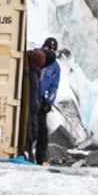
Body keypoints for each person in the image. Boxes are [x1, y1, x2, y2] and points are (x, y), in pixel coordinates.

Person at [27, 36, 60, 165]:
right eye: (48, 47)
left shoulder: (55, 67)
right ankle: (27, 152)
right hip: (30, 96)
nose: (51, 50)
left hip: (41, 100)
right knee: (29, 128)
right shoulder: (36, 56)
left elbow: (54, 86)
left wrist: (49, 102)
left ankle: (41, 158)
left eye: (53, 49)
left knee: (42, 131)